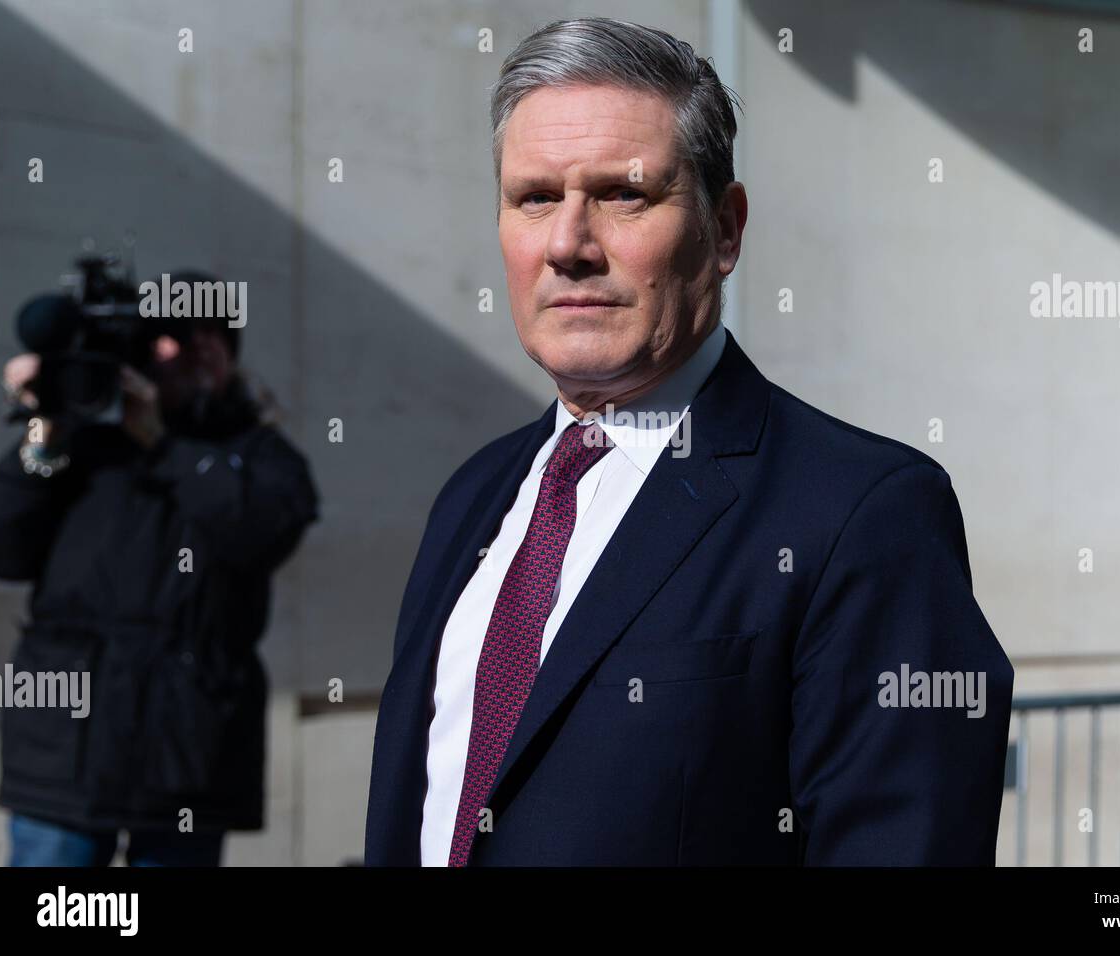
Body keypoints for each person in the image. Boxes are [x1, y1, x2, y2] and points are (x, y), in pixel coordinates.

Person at [365, 17, 1013, 866]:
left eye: (623, 194)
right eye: (535, 199)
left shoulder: (862, 514)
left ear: (726, 231)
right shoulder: (473, 497)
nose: (568, 245)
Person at [0, 286, 319, 866]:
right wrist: (43, 434)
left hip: (186, 757)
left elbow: (259, 532)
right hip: (64, 750)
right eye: (169, 337)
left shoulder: (259, 453)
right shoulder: (84, 443)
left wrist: (162, 445)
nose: (191, 349)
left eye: (209, 335)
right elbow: (4, 551)